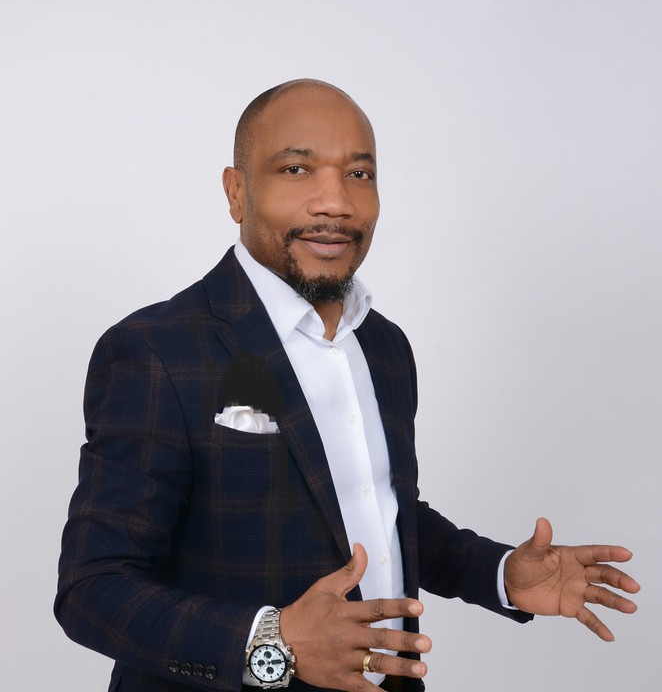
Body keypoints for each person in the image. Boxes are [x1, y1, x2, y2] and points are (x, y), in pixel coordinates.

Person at [55, 80, 639, 692]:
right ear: (236, 192)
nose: (334, 202)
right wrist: (271, 643)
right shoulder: (156, 351)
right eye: (296, 169)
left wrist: (498, 573)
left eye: (359, 175)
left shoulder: (384, 346)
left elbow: (376, 509)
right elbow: (93, 589)